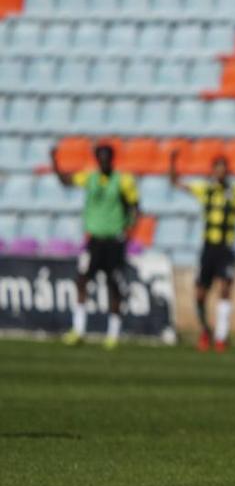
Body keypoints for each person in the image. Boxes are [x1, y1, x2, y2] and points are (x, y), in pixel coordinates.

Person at [170, 152, 235, 352]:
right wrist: (172, 161)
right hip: (209, 248)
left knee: (225, 289)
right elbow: (176, 183)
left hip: (227, 248)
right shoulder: (205, 189)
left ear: (227, 171)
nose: (220, 172)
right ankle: (205, 330)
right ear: (213, 170)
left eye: (223, 168)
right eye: (217, 168)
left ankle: (221, 336)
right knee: (200, 294)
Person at [52, 142, 140, 349]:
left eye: (106, 158)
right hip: (94, 240)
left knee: (113, 284)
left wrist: (128, 232)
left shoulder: (123, 181)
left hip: (114, 240)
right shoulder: (90, 178)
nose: (103, 161)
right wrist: (54, 163)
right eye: (100, 158)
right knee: (82, 280)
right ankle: (79, 329)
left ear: (112, 159)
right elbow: (66, 181)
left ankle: (113, 334)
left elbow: (135, 207)